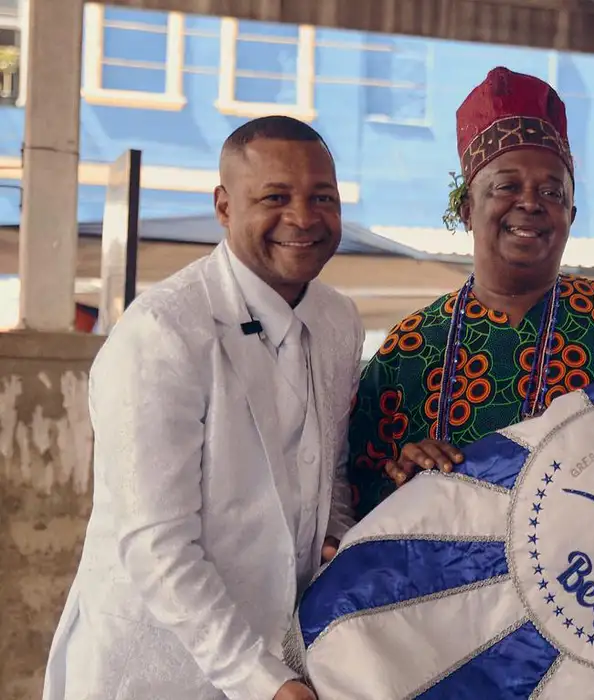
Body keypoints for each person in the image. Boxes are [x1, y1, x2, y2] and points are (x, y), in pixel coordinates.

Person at [43, 116, 364, 700]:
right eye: (275, 197)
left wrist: (339, 545)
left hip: (284, 656)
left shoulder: (338, 319)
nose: (303, 217)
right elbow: (156, 544)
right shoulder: (162, 331)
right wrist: (259, 680)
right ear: (223, 206)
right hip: (153, 671)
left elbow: (330, 474)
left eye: (323, 197)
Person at [347, 67, 594, 518]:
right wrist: (402, 479)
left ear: (571, 214)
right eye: (507, 186)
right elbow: (352, 495)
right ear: (467, 209)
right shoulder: (410, 349)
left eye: (552, 192)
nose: (530, 203)